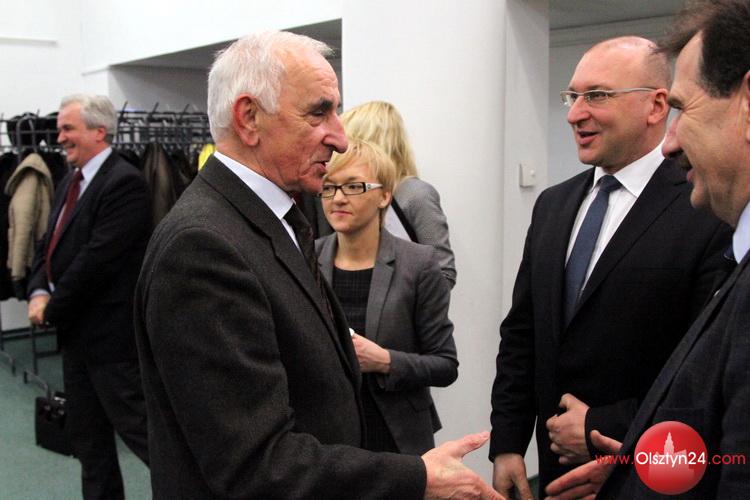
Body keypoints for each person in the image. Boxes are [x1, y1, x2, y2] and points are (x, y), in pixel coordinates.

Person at [133, 31, 500, 499]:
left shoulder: (273, 217)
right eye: (318, 112)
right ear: (249, 118)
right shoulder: (203, 245)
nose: (340, 138)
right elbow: (257, 464)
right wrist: (418, 478)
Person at [488, 36, 732, 498]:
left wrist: (601, 426)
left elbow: (704, 370)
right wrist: (508, 443)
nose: (574, 114)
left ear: (656, 106)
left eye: (597, 95)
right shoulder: (553, 205)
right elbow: (523, 333)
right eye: (572, 96)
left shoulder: (704, 207)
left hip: (649, 473)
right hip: (554, 474)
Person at [546, 1, 750, 498]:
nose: (670, 143)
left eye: (683, 109)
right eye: (573, 96)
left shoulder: (704, 224)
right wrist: (636, 473)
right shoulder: (555, 204)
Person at [26, 94, 151, 500]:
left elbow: (97, 260)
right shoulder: (70, 181)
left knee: (146, 437)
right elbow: (48, 245)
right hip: (77, 339)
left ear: (99, 131)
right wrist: (37, 289)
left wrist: (51, 308)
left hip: (112, 343)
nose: (60, 137)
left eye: (68, 128)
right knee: (89, 445)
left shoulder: (125, 183)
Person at [315, 138, 458, 455]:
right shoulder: (307, 259)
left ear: (384, 196)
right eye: (329, 187)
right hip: (328, 437)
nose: (338, 198)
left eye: (353, 186)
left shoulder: (418, 264)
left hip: (396, 435)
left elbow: (445, 365)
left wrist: (384, 361)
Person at [341, 101, 457, 288]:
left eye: (348, 141)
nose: (340, 150)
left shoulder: (415, 195)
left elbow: (444, 273)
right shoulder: (340, 196)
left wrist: (396, 299)